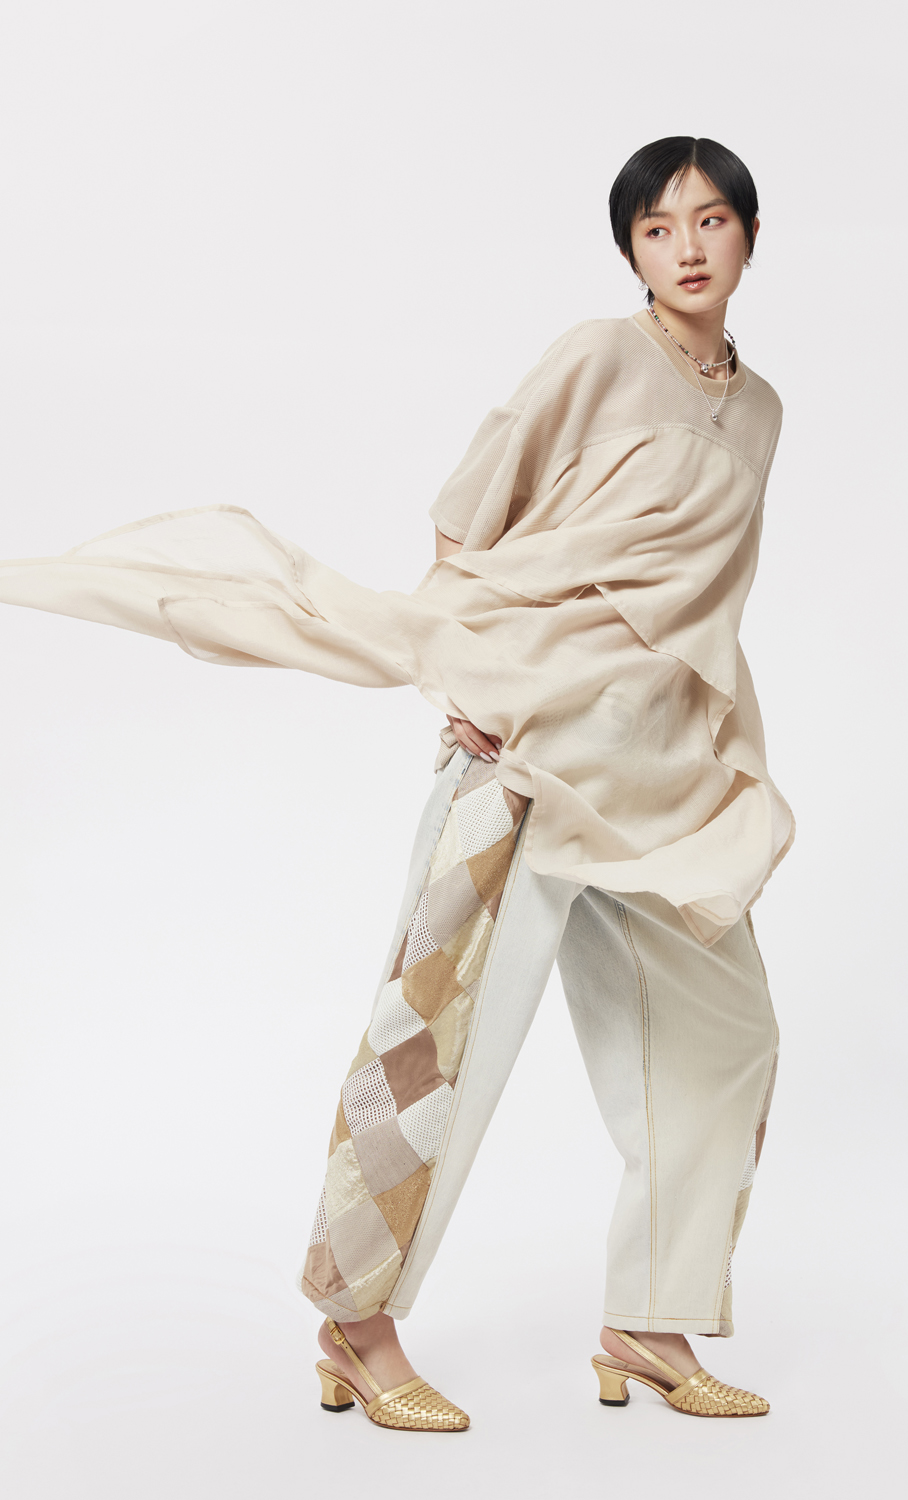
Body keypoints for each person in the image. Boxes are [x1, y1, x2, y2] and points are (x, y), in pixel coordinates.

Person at [0, 136, 792, 1431]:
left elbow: (705, 601)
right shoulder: (597, 358)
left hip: (658, 782)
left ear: (751, 233)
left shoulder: (761, 412)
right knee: (434, 1041)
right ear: (630, 249)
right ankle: (355, 1329)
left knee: (727, 1033)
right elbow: (467, 513)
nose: (688, 247)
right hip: (526, 753)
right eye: (659, 227)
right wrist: (470, 674)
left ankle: (648, 1324)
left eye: (711, 220)